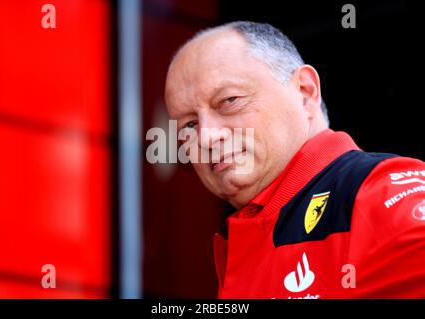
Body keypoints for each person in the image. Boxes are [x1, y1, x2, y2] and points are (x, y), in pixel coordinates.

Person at [164, 21, 425, 298]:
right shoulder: (247, 235)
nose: (206, 138)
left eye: (229, 100)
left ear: (305, 92)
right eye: (189, 126)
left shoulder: (379, 193)